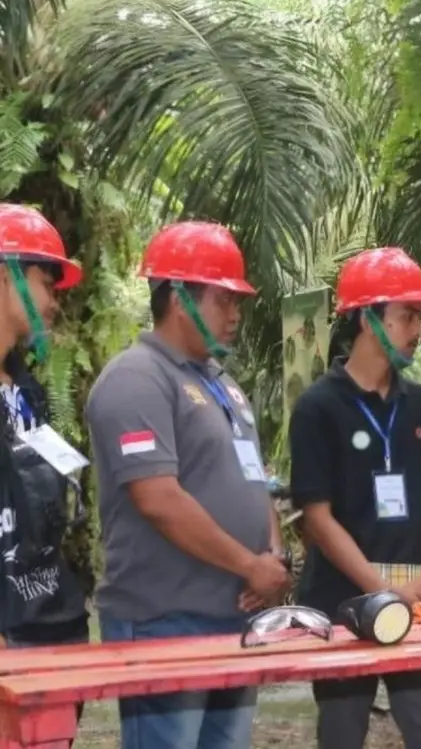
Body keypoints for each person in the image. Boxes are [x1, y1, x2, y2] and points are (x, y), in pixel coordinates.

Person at [86, 221, 290, 749]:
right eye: (223, 300)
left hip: (233, 613)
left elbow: (254, 477)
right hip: (164, 619)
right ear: (179, 298)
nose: (236, 314)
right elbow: (158, 499)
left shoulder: (224, 385)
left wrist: (273, 555)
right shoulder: (137, 377)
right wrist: (250, 566)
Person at [289, 247, 421, 749]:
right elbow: (317, 518)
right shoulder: (319, 407)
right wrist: (380, 592)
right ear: (367, 319)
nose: (417, 328)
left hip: (418, 599)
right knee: (342, 734)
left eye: (420, 316)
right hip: (343, 600)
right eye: (406, 315)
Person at [0, 205, 90, 653]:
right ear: (5, 276)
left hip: (51, 623)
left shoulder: (27, 391)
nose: (54, 302)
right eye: (46, 285)